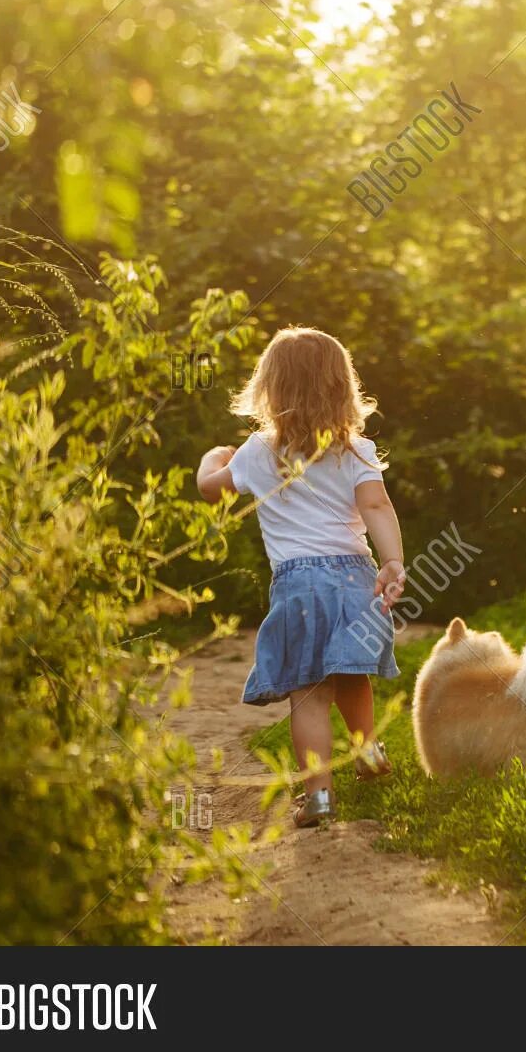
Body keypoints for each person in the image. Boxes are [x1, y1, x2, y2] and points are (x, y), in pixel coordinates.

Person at [196, 327, 406, 828]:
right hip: (357, 578)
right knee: (352, 676)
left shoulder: (256, 452)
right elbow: (375, 505)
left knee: (309, 696)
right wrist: (393, 561)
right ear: (342, 387)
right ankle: (368, 753)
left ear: (270, 390)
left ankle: (319, 798)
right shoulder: (357, 450)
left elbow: (210, 490)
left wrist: (213, 458)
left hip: (298, 586)